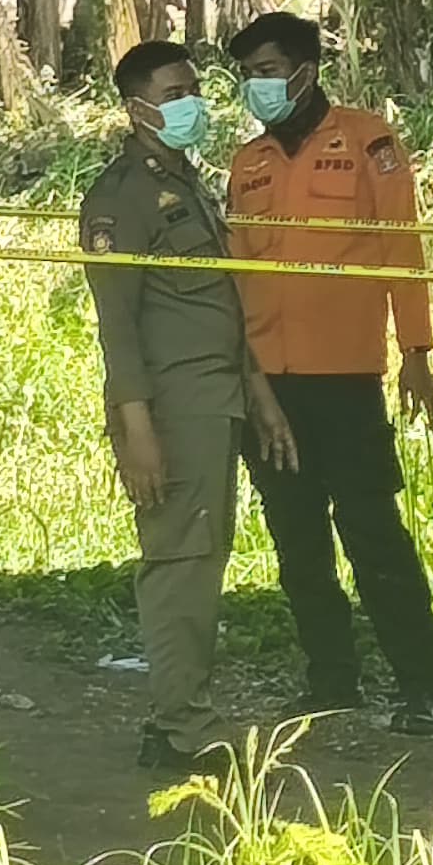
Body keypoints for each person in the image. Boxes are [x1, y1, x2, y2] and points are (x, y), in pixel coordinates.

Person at [221, 11, 433, 734]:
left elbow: (400, 248)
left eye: (266, 69)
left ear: (303, 70)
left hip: (346, 377)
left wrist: (417, 353)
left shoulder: (368, 141)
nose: (256, 85)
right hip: (267, 382)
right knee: (296, 541)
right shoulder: (247, 164)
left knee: (373, 533)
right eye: (248, 73)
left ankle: (422, 685)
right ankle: (331, 679)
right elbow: (233, 275)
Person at [80, 40, 298, 772]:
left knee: (204, 554)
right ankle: (182, 728)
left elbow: (221, 302)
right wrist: (134, 426)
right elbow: (117, 320)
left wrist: (260, 394)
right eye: (174, 91)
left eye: (193, 89)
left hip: (219, 394)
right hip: (171, 405)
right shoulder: (122, 198)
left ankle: (180, 718)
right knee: (182, 559)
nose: (190, 104)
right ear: (137, 106)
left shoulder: (189, 184)